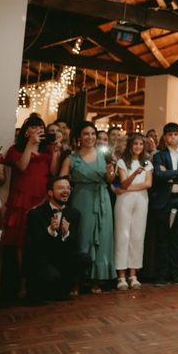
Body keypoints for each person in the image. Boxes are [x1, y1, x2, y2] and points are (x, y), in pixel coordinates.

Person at [2, 116, 61, 298]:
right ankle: (22, 283)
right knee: (20, 243)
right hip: (22, 199)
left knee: (40, 240)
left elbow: (53, 173)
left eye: (40, 127)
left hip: (42, 199)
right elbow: (22, 166)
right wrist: (30, 144)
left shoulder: (47, 150)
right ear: (26, 130)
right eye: (33, 127)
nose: (37, 130)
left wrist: (56, 151)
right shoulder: (16, 149)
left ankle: (38, 281)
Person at [60, 121, 116, 293]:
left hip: (102, 199)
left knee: (102, 239)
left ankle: (96, 280)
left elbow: (110, 180)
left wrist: (110, 169)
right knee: (81, 239)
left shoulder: (104, 156)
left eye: (93, 134)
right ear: (79, 138)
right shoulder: (71, 158)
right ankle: (76, 281)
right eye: (86, 134)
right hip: (81, 199)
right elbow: (62, 180)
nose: (90, 137)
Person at [24, 176, 91, 303]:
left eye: (68, 188)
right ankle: (39, 293)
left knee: (84, 259)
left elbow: (74, 244)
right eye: (61, 188)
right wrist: (49, 231)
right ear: (50, 192)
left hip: (62, 259)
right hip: (42, 261)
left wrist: (66, 234)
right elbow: (33, 247)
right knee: (51, 275)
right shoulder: (36, 214)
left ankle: (61, 291)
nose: (66, 191)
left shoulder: (74, 214)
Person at [150, 123, 178, 286]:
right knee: (162, 238)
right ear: (165, 137)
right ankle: (162, 274)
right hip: (164, 200)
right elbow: (158, 175)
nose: (173, 137)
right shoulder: (159, 156)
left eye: (176, 135)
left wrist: (170, 175)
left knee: (177, 238)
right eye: (169, 135)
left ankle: (175, 273)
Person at [114, 134, 153, 290]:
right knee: (123, 235)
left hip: (142, 200)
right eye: (135, 144)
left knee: (137, 236)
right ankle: (121, 276)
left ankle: (133, 274)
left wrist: (127, 188)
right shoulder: (123, 162)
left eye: (141, 144)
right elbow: (123, 182)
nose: (138, 147)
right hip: (124, 201)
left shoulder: (147, 163)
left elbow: (148, 184)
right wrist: (134, 175)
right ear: (130, 145)